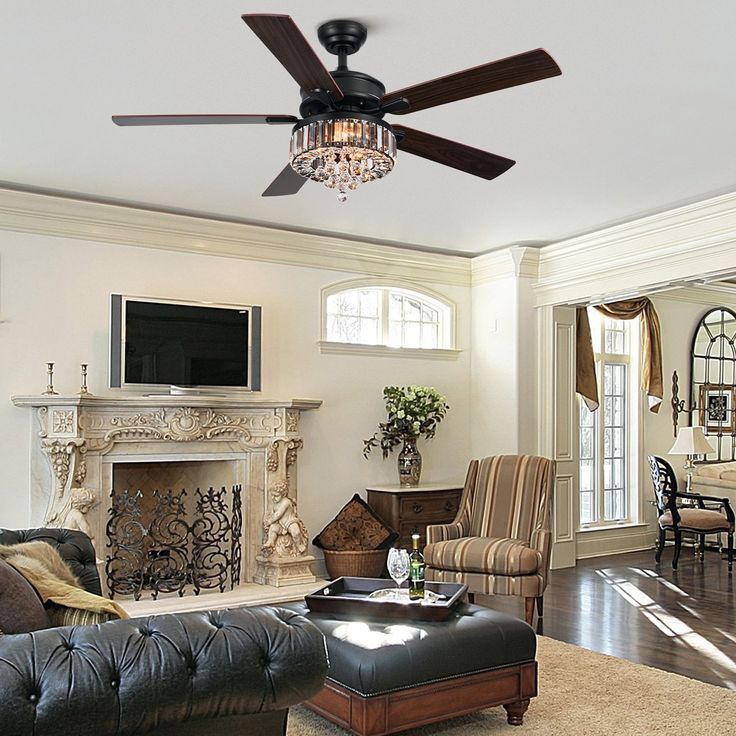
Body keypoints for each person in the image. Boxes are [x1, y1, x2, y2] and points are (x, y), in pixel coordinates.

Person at [261, 479, 308, 557]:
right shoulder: (275, 504)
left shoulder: (286, 502)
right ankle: (271, 541)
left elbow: (278, 514)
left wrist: (270, 521)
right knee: (273, 528)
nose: (273, 498)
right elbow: (274, 514)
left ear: (284, 494)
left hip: (289, 521)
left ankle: (299, 545)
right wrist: (270, 521)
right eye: (272, 495)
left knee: (295, 532)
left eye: (276, 496)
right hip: (280, 524)